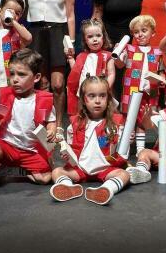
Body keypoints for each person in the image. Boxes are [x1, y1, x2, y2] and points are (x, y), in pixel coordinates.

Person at [0, 49, 56, 190]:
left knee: (45, 179)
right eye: (12, 73)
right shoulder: (4, 94)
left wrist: (51, 130)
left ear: (36, 77)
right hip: (6, 146)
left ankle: (17, 169)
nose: (14, 79)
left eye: (21, 74)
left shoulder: (44, 100)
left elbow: (51, 120)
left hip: (29, 150)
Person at [50, 76, 129, 205]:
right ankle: (68, 187)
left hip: (106, 168)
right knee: (57, 171)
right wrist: (67, 155)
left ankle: (107, 189)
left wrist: (127, 139)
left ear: (108, 99)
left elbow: (121, 151)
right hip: (81, 168)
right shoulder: (75, 123)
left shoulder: (116, 122)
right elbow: (71, 150)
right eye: (92, 96)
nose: (97, 101)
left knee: (124, 174)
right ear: (84, 99)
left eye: (102, 96)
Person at [23, 0, 75, 137]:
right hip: (36, 33)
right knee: (42, 84)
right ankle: (45, 126)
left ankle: (60, 125)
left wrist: (70, 41)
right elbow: (22, 12)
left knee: (58, 84)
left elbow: (70, 15)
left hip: (58, 32)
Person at [91, 0, 145, 100]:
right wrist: (103, 42)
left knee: (132, 81)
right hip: (110, 43)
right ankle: (113, 119)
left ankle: (129, 117)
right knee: (112, 83)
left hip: (134, 43)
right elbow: (96, 18)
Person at [113, 15, 165, 154]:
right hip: (131, 90)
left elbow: (161, 71)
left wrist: (161, 80)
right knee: (126, 117)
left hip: (149, 92)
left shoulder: (157, 52)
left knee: (142, 119)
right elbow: (119, 65)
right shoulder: (129, 49)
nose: (140, 34)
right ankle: (122, 147)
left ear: (152, 32)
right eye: (136, 32)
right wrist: (117, 54)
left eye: (144, 30)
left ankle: (140, 150)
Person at [66, 19, 115, 116]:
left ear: (103, 37)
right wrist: (71, 58)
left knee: (102, 115)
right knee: (82, 114)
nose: (95, 39)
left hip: (100, 93)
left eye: (98, 35)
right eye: (90, 36)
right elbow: (76, 72)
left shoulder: (108, 56)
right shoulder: (81, 56)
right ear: (85, 40)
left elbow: (111, 73)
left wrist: (105, 87)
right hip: (84, 93)